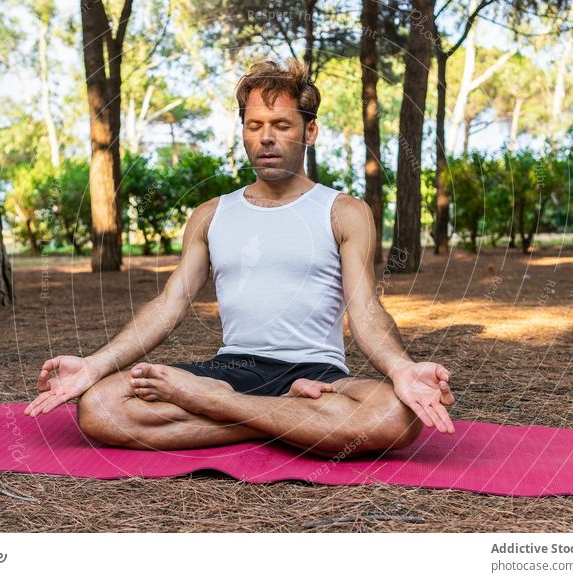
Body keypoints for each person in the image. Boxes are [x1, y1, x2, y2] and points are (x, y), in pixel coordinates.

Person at [24, 58, 456, 458]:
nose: (266, 137)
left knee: (395, 417)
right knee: (100, 406)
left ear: (310, 132)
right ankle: (276, 418)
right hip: (231, 367)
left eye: (282, 125)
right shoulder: (210, 214)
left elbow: (365, 310)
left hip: (316, 374)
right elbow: (170, 304)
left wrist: (400, 368)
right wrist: (94, 365)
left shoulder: (344, 211)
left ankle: (222, 406)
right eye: (255, 125)